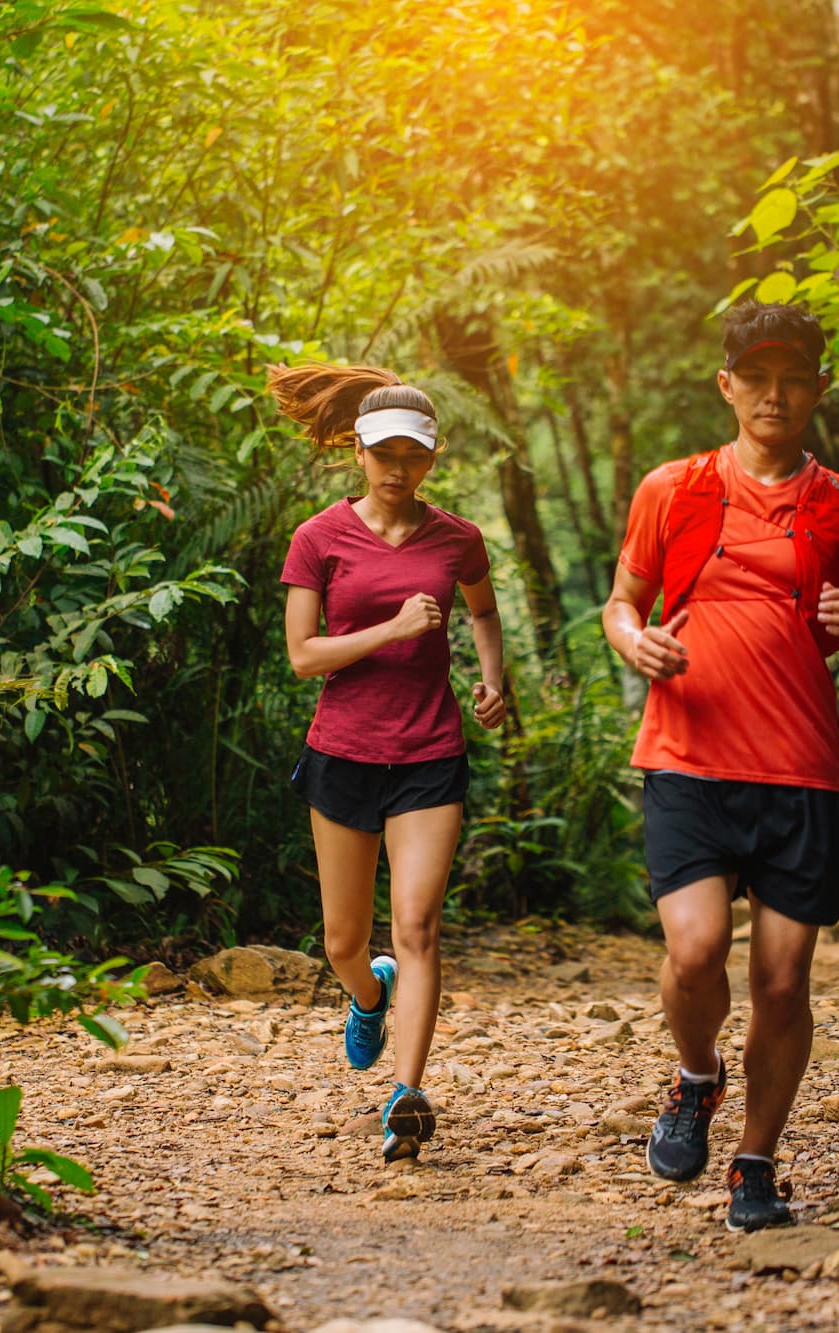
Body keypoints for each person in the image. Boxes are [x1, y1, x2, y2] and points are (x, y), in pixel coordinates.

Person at [601, 301, 839, 1232]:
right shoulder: (674, 488)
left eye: (794, 378)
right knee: (692, 951)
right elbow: (622, 600)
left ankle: (755, 1165)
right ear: (726, 386)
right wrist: (636, 644)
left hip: (801, 771)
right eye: (757, 378)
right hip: (688, 757)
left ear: (816, 389)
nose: (775, 394)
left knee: (781, 983)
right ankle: (697, 1078)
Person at [270, 362, 507, 1164]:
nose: (398, 469)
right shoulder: (318, 538)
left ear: (432, 457)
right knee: (344, 943)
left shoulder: (457, 538)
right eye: (384, 454)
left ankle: (406, 1094)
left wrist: (492, 676)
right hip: (343, 751)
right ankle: (368, 996)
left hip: (430, 752)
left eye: (413, 455)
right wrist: (393, 630)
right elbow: (303, 656)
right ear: (359, 452)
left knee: (418, 925)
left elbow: (483, 606)